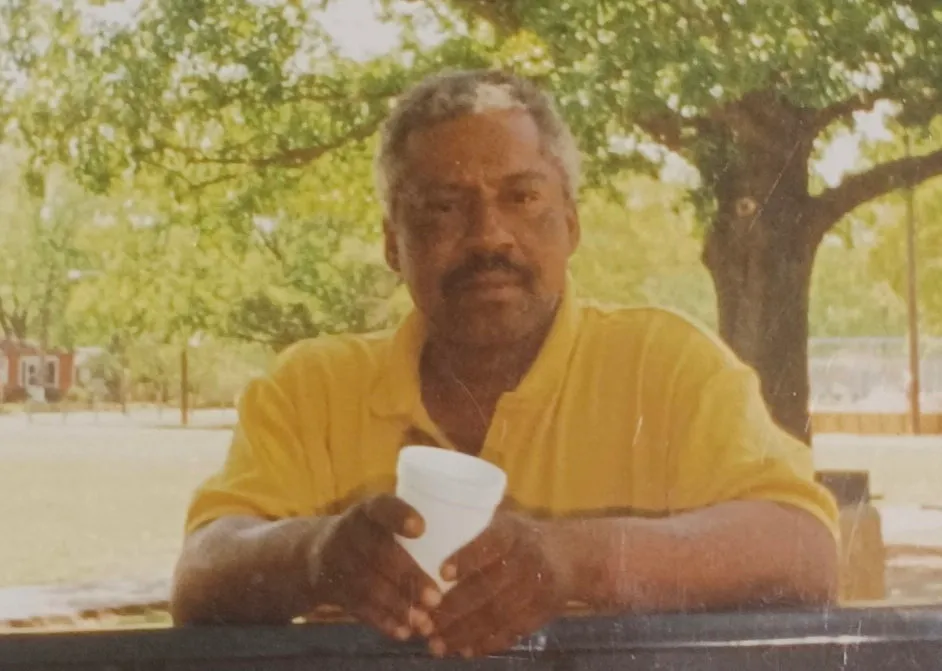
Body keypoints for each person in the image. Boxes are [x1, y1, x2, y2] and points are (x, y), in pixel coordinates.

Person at [170, 69, 839, 659]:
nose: (489, 234)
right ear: (392, 243)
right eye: (442, 206)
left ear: (571, 223)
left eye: (522, 197)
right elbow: (201, 571)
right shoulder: (310, 387)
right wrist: (316, 556)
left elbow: (804, 549)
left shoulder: (666, 365)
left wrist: (569, 561)